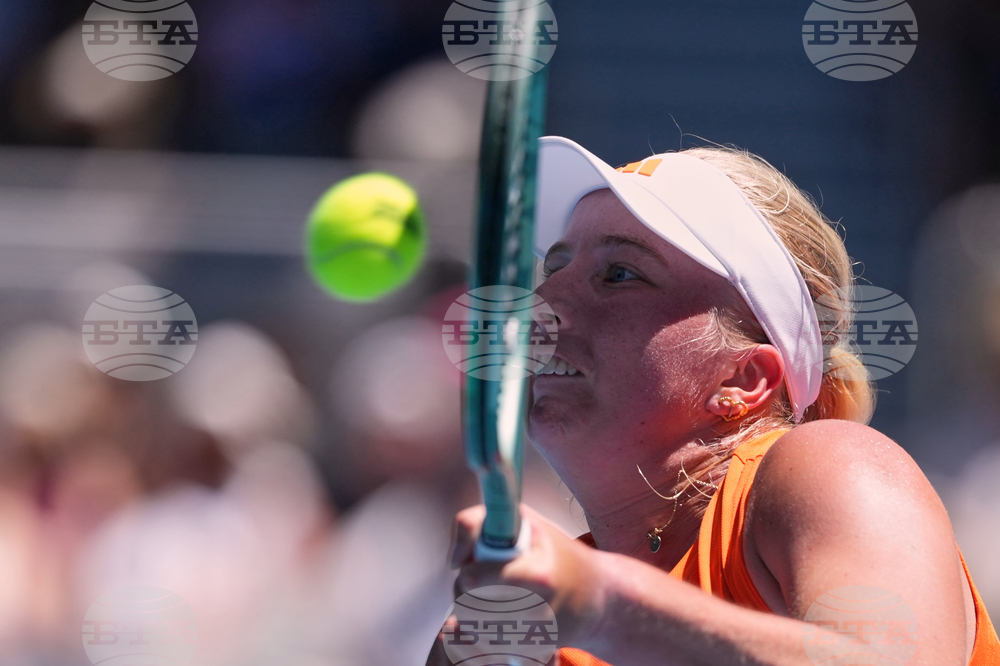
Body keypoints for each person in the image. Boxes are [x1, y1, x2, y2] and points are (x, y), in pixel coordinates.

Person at [426, 137, 1000, 665]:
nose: (543, 303)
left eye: (620, 274)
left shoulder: (830, 467)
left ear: (745, 379)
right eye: (552, 267)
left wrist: (604, 604)